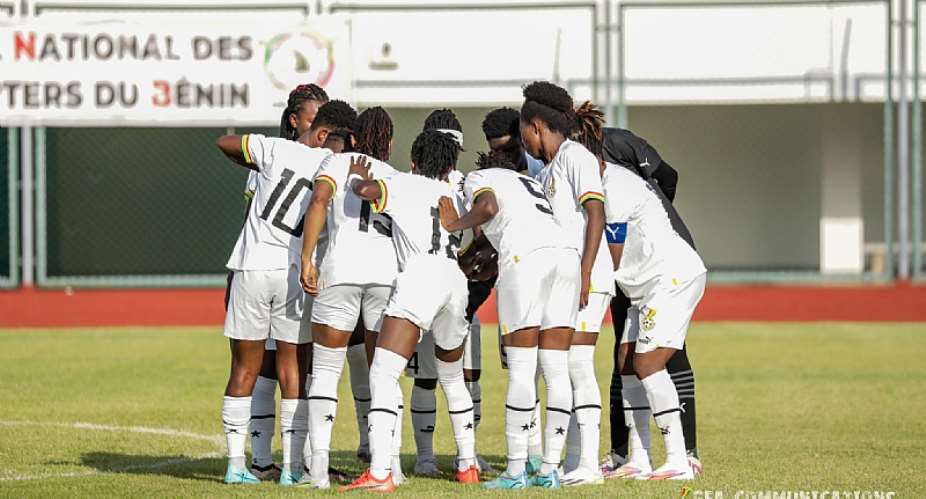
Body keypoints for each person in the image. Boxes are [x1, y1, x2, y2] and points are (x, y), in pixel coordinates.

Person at [215, 99, 357, 486]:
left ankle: (235, 465)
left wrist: (254, 158)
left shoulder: (275, 148)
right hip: (294, 272)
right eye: (340, 144)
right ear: (326, 135)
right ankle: (292, 469)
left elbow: (225, 142)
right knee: (293, 368)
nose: (341, 153)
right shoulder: (333, 169)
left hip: (251, 267)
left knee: (244, 368)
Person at [341, 130, 479, 492]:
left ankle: (381, 472)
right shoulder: (455, 195)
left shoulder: (403, 183)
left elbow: (367, 193)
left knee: (384, 373)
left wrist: (357, 176)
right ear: (451, 165)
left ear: (415, 161)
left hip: (419, 276)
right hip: (455, 279)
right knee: (452, 377)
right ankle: (467, 466)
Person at [575, 102, 706, 481]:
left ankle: (680, 460)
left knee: (649, 362)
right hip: (642, 286)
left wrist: (584, 285)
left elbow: (610, 254)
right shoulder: (592, 185)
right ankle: (639, 456)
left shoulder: (613, 186)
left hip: (670, 277)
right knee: (627, 361)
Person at [437, 151, 579, 489]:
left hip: (526, 262)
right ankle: (549, 469)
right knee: (557, 369)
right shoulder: (530, 182)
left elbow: (487, 208)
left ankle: (515, 471)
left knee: (521, 367)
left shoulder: (478, 178)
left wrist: (453, 224)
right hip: (566, 259)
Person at [228, 83, 330, 482]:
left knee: (270, 367)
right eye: (313, 117)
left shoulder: (270, 153)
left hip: (265, 269)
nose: (321, 127)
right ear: (295, 120)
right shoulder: (312, 162)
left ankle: (266, 462)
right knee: (272, 367)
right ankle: (267, 460)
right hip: (286, 271)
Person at [297, 107, 399, 489]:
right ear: (388, 142)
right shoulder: (393, 175)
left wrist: (307, 258)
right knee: (384, 375)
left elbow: (319, 201)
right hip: (385, 277)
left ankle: (318, 469)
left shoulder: (336, 163)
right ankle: (389, 465)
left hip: (339, 271)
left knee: (324, 371)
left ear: (353, 137)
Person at [519, 81, 613, 486]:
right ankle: (573, 460)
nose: (522, 139)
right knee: (558, 366)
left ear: (536, 126)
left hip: (586, 276)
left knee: (576, 363)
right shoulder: (550, 168)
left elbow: (596, 214)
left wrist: (586, 273)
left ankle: (589, 463)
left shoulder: (576, 157)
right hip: (566, 277)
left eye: (522, 130)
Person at [409, 108, 492, 476]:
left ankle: (426, 457)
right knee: (463, 376)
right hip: (458, 289)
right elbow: (483, 241)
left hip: (418, 286)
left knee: (427, 376)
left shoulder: (408, 179)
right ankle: (466, 458)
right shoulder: (467, 183)